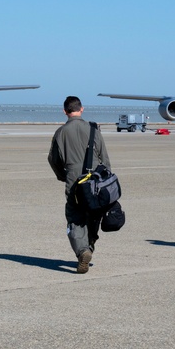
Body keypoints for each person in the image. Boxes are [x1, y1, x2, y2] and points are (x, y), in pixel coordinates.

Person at [48, 96, 111, 274]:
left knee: (75, 219)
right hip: (95, 181)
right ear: (81, 109)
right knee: (93, 216)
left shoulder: (61, 132)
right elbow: (105, 159)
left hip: (74, 181)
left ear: (65, 111)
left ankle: (82, 251)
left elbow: (53, 159)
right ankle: (89, 247)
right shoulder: (93, 130)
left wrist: (63, 175)